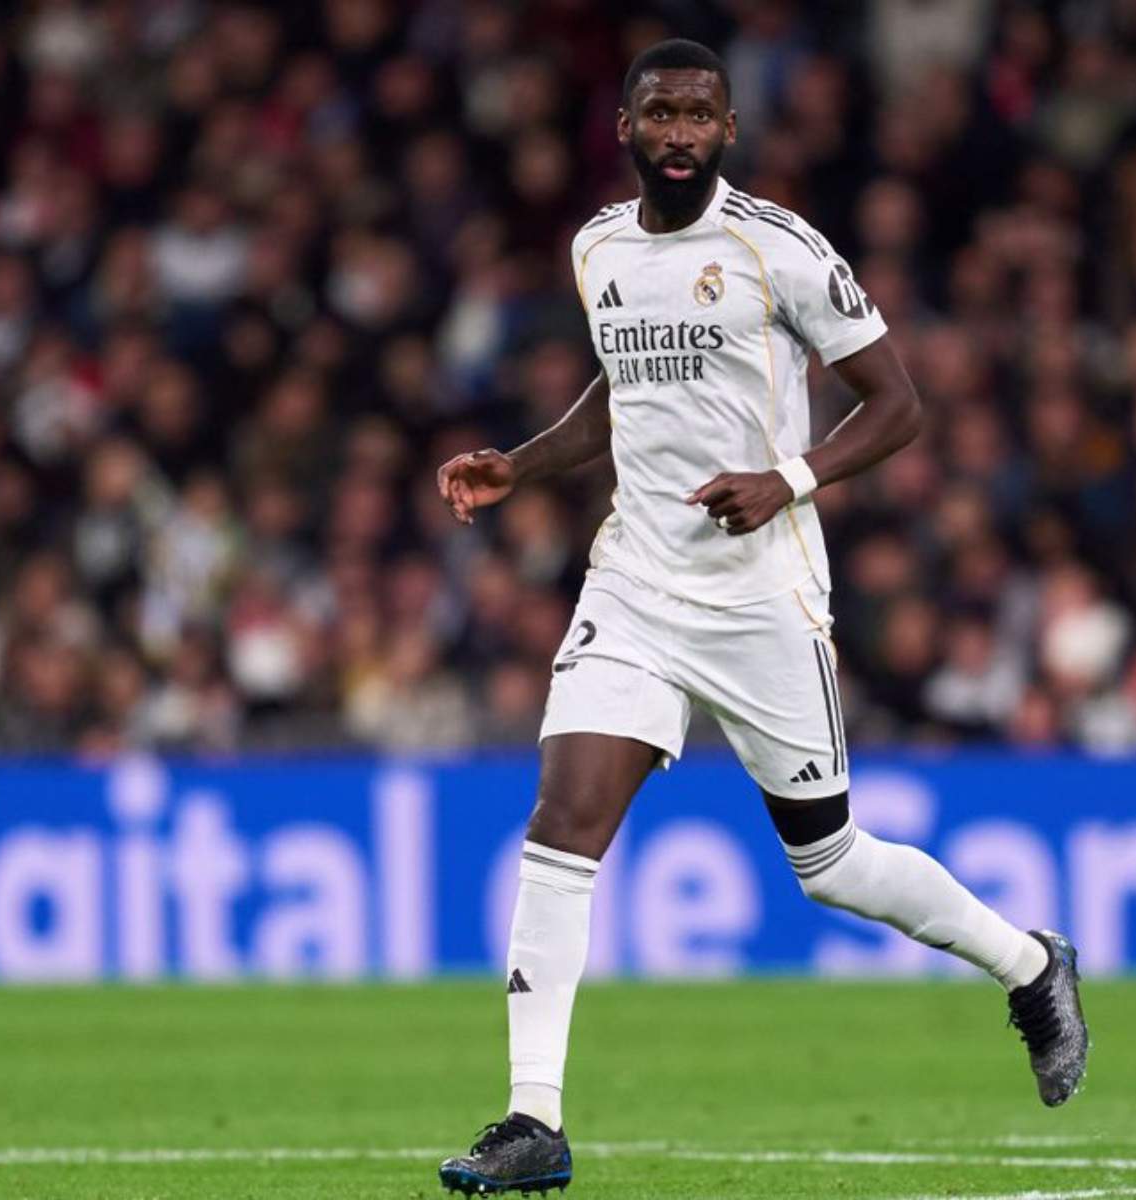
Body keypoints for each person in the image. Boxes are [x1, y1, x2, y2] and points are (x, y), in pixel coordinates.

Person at [431, 40, 1088, 1195]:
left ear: (729, 130)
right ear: (626, 127)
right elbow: (618, 396)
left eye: (698, 113)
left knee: (829, 864)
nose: (678, 131)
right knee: (563, 818)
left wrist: (785, 477)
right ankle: (531, 1119)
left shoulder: (775, 248)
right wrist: (522, 467)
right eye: (658, 112)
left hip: (761, 595)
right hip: (634, 580)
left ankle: (1026, 962)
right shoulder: (597, 248)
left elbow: (899, 404)